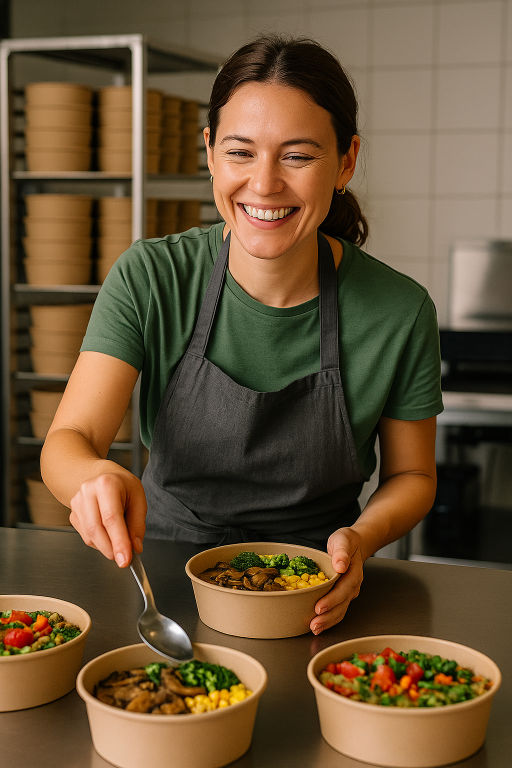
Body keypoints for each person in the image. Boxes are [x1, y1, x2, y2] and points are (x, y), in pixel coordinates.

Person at [41, 35, 443, 635]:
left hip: (316, 591)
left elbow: (413, 476)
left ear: (347, 160)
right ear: (209, 154)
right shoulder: (152, 277)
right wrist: (91, 478)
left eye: (298, 156)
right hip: (164, 580)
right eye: (240, 152)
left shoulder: (399, 310)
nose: (264, 184)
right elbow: (69, 439)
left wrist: (360, 539)